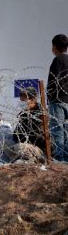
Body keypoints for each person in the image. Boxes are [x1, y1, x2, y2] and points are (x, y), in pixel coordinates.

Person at [47, 34, 68, 162]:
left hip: (58, 100)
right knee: (66, 130)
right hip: (67, 100)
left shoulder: (57, 60)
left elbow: (53, 82)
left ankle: (60, 157)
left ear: (54, 47)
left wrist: (50, 97)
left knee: (57, 130)